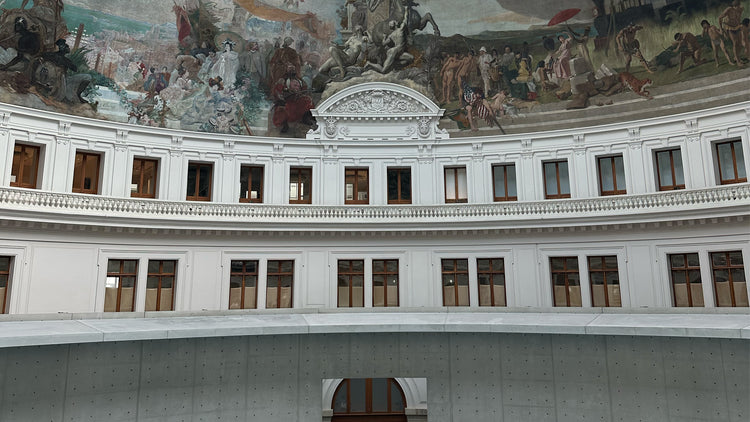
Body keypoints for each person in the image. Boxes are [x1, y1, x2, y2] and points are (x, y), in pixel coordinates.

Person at [364, 6, 412, 74]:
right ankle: (369, 63)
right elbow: (405, 19)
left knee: (411, 58)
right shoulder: (400, 31)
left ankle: (393, 66)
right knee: (383, 70)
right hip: (393, 52)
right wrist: (406, 10)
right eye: (395, 21)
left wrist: (384, 38)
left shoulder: (392, 35)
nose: (396, 21)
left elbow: (384, 43)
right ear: (395, 24)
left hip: (399, 52)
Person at [272, 64, 314, 133]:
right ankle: (284, 125)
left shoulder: (300, 80)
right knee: (281, 109)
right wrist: (282, 98)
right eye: (290, 69)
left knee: (307, 100)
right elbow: (277, 92)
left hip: (297, 101)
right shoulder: (282, 80)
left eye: (293, 69)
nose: (292, 70)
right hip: (287, 102)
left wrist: (300, 93)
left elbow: (304, 89)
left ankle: (305, 118)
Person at [718, 0, 745, 67]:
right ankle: (738, 61)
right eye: (736, 7)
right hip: (729, 27)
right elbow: (719, 18)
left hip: (737, 26)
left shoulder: (741, 9)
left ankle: (736, 57)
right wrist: (721, 29)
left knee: (740, 44)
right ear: (734, 6)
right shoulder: (729, 10)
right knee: (735, 43)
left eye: (738, 6)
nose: (738, 8)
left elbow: (739, 18)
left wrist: (740, 26)